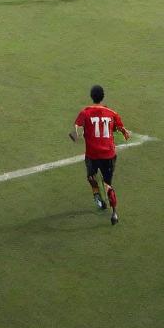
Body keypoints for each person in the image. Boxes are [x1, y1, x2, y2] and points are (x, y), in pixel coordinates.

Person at [69, 85, 129, 225]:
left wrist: (75, 134)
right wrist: (124, 133)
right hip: (109, 154)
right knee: (108, 184)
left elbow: (76, 130)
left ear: (92, 96)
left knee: (91, 177)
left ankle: (97, 196)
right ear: (103, 97)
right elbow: (121, 129)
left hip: (93, 154)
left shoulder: (85, 112)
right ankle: (114, 213)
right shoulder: (112, 113)